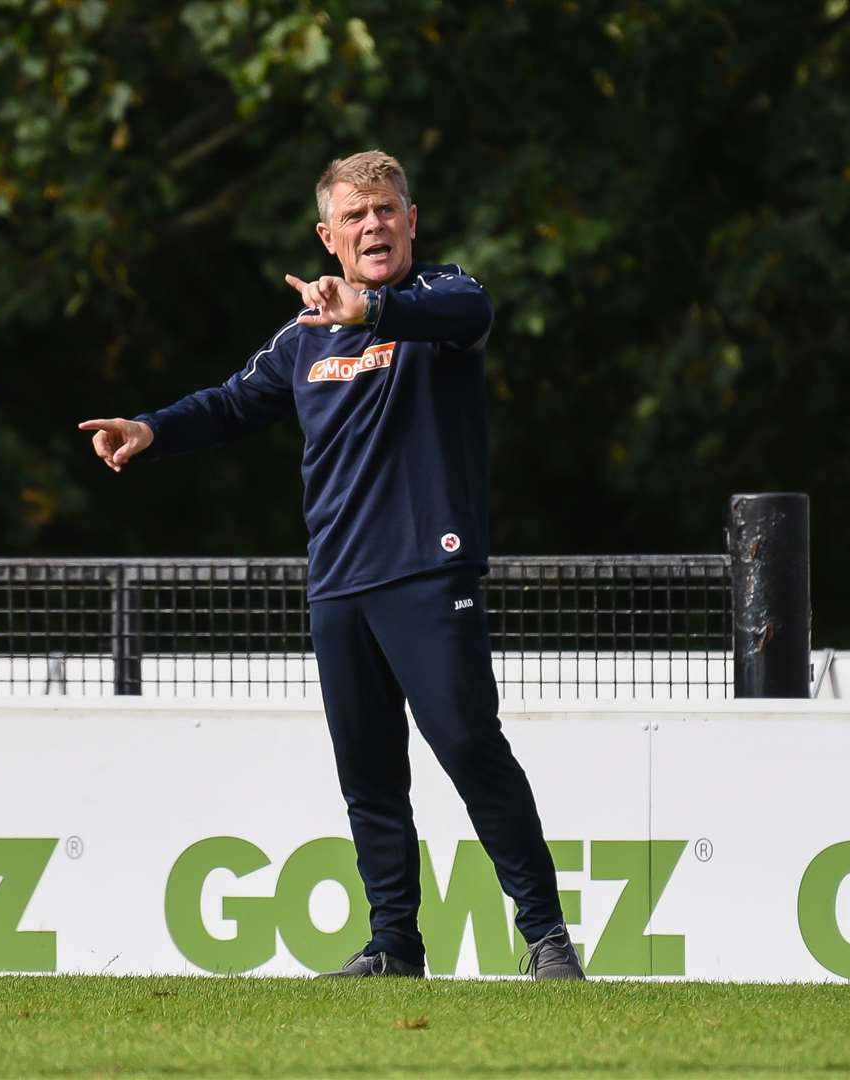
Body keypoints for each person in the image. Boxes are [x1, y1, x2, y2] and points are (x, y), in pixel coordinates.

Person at [80, 150, 584, 981]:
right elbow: (232, 402)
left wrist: (371, 310)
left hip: (427, 571)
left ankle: (545, 938)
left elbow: (471, 307)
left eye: (385, 210)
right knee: (369, 773)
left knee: (467, 744)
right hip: (339, 583)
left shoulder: (436, 303)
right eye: (354, 217)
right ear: (328, 235)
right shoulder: (299, 339)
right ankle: (395, 944)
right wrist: (152, 428)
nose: (373, 225)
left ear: (411, 220)